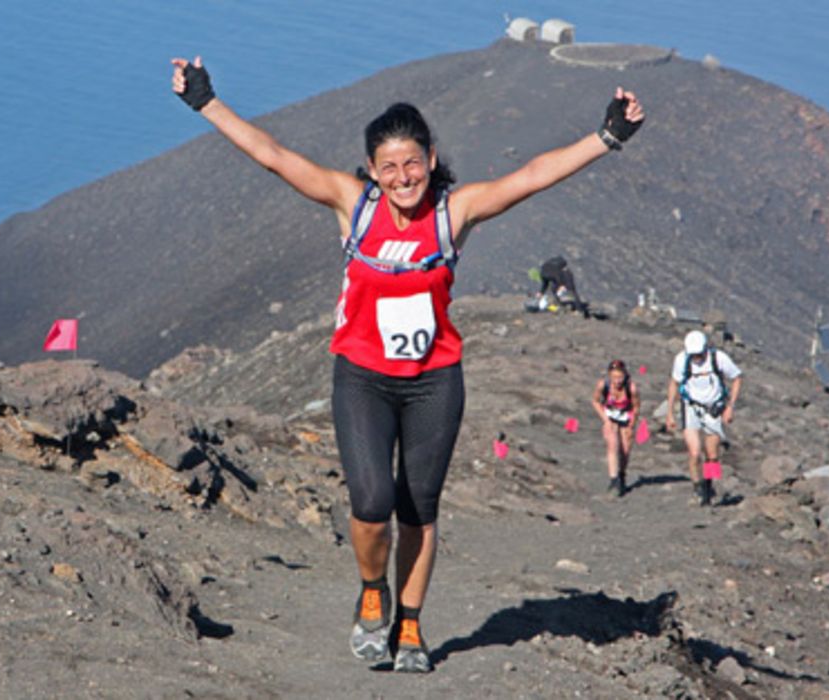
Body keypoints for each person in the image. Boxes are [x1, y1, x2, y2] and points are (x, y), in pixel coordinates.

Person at [170, 55, 645, 672]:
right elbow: (273, 156)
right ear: (371, 170)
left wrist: (607, 137)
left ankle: (411, 627)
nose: (402, 177)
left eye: (412, 163)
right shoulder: (353, 205)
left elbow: (531, 177)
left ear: (430, 159)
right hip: (362, 378)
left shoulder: (454, 211)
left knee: (418, 508)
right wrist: (206, 102)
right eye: (388, 167)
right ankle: (373, 592)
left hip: (433, 384)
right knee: (370, 504)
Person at [665, 330, 742, 506]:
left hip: (713, 408)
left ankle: (710, 488)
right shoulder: (681, 360)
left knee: (712, 455)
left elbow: (736, 378)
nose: (696, 359)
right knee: (694, 452)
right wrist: (669, 412)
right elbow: (674, 383)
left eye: (699, 355)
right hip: (691, 407)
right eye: (693, 355)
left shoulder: (719, 359)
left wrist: (730, 407)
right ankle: (697, 487)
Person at [591, 359, 640, 497]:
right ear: (609, 375)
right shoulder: (603, 385)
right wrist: (605, 420)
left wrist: (632, 424)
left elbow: (636, 406)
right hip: (610, 416)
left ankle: (621, 475)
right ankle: (613, 481)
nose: (617, 381)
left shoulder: (631, 388)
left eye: (620, 377)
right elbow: (595, 401)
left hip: (626, 416)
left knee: (624, 450)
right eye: (614, 377)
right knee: (612, 444)